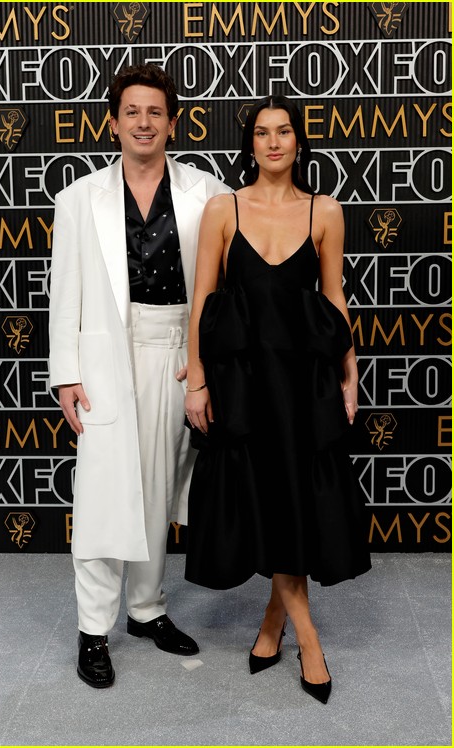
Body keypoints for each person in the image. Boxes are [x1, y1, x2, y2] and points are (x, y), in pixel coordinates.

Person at [184, 95, 372, 705]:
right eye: (262, 132)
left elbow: (334, 296)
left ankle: (277, 624)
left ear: (298, 141)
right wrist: (196, 378)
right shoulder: (222, 208)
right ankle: (307, 637)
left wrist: (350, 368)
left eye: (283, 131)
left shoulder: (325, 210)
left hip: (303, 382)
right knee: (263, 498)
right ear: (251, 143)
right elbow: (203, 302)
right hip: (242, 385)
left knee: (293, 499)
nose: (273, 142)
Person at [48, 63, 231, 688]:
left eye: (156, 112)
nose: (143, 123)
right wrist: (66, 375)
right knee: (102, 494)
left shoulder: (207, 192)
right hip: (107, 358)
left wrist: (208, 361)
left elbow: (222, 287)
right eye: (132, 112)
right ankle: (92, 630)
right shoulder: (77, 198)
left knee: (158, 488)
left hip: (179, 351)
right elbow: (63, 294)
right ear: (114, 122)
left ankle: (147, 609)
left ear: (173, 123)